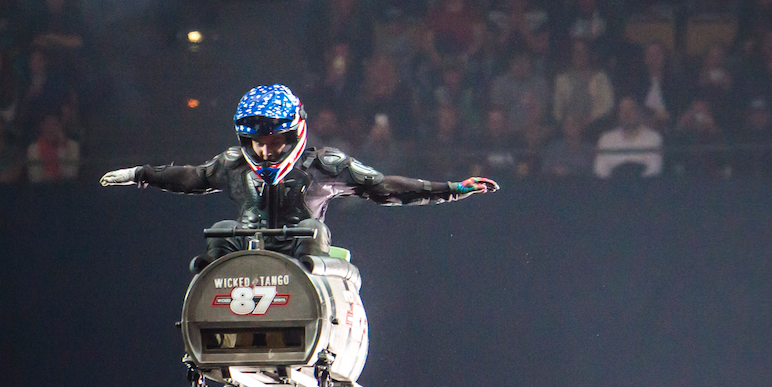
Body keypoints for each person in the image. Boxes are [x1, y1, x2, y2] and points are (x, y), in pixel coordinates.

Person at [100, 84, 497, 270]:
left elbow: (383, 188)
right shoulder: (233, 163)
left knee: (311, 229)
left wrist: (451, 190)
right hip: (248, 260)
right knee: (220, 231)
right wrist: (141, 174)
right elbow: (191, 177)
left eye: (274, 142)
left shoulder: (326, 164)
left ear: (295, 134)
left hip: (305, 261)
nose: (265, 152)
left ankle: (311, 296)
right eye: (256, 143)